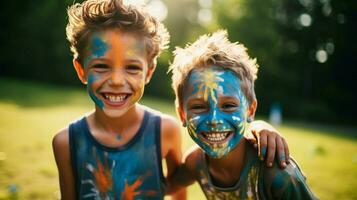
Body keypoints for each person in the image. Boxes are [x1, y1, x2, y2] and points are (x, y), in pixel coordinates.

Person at [52, 0, 290, 199]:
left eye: (132, 67)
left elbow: (177, 189)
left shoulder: (165, 130)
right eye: (101, 66)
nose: (116, 80)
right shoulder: (66, 142)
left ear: (149, 72)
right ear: (81, 70)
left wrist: (258, 127)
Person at [168, 30, 318, 199]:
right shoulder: (196, 162)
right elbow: (165, 186)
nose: (214, 120)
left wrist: (259, 125)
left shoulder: (278, 173)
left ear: (250, 110)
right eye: (198, 107)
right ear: (182, 114)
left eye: (228, 105)